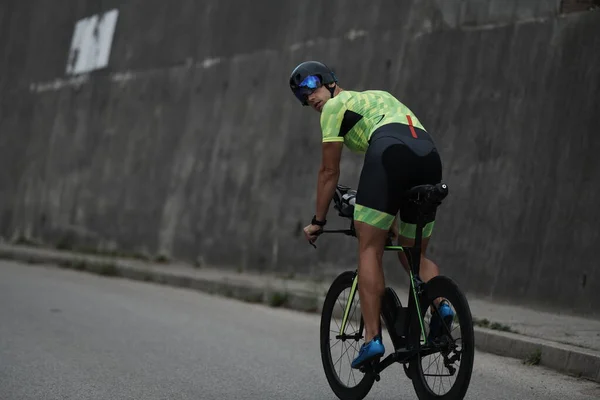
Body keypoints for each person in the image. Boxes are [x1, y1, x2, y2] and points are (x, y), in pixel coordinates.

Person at [289, 61, 454, 369]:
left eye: (312, 87)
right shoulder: (378, 97)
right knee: (411, 254)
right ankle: (443, 305)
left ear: (330, 82)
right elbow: (396, 176)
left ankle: (372, 341)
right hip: (429, 156)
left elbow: (329, 171)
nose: (309, 98)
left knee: (369, 248)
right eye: (302, 97)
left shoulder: (334, 107)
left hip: (390, 153)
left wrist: (318, 221)